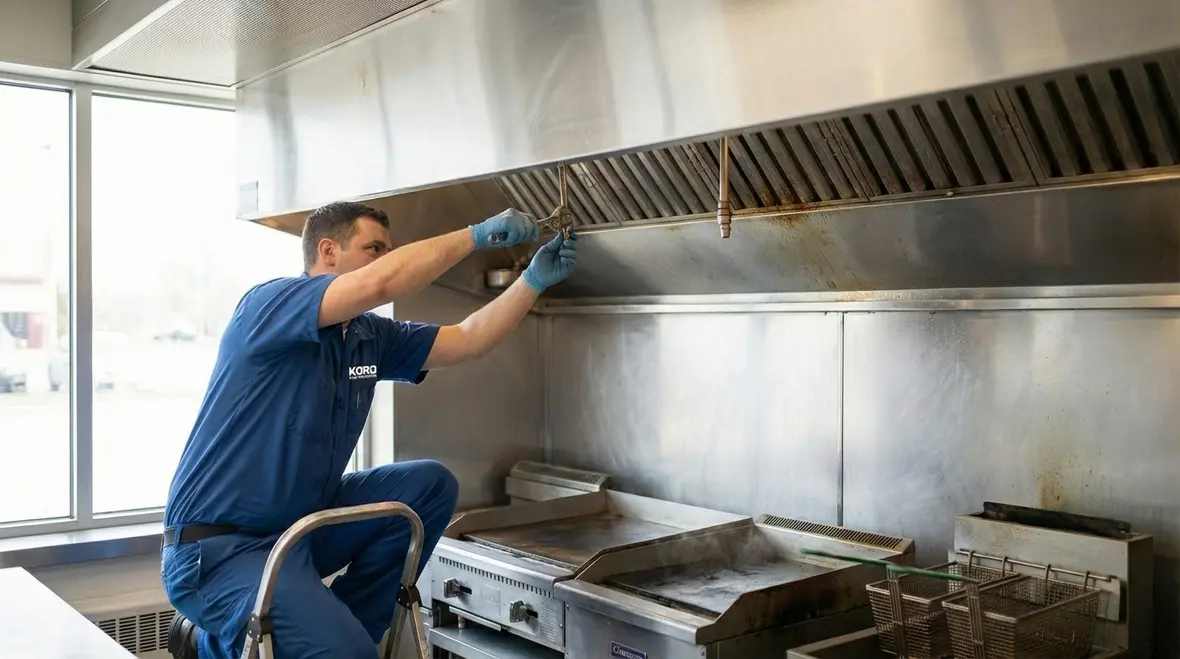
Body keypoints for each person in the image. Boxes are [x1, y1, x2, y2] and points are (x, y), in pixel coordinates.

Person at [161, 200, 576, 659]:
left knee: (429, 486)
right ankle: (230, 645)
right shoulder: (270, 306)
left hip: (299, 530)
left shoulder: (368, 336)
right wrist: (474, 235)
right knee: (345, 653)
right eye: (373, 247)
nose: (385, 259)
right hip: (220, 550)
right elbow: (383, 281)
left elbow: (469, 339)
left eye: (388, 250)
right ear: (328, 252)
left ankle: (329, 636)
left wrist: (531, 282)